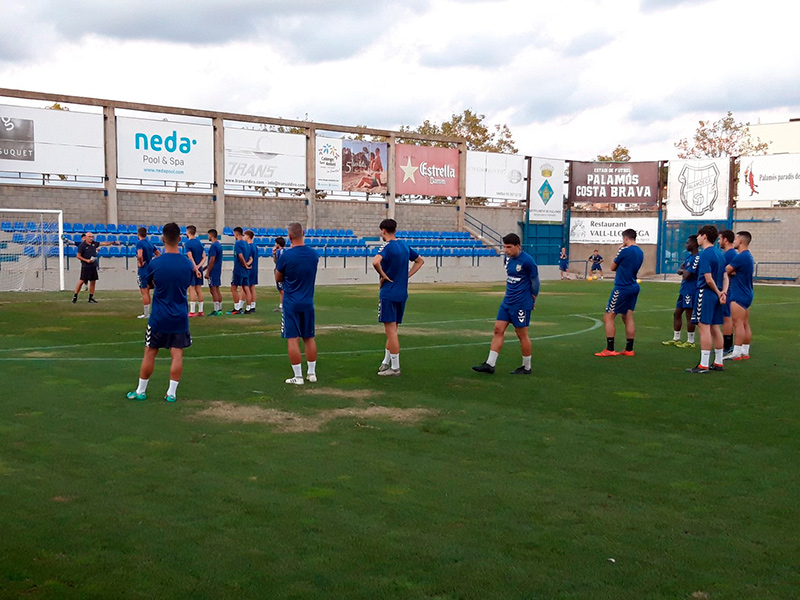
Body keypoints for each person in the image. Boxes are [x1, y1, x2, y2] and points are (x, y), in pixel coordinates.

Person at [126, 222, 194, 403]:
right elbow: (187, 284)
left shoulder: (156, 264)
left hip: (159, 317)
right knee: (177, 353)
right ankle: (171, 393)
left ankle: (141, 391)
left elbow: (148, 284)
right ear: (180, 239)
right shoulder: (187, 264)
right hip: (179, 316)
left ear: (163, 239)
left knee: (150, 352)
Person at [473, 233, 539, 375]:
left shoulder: (528, 261)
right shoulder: (508, 259)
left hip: (521, 304)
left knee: (521, 334)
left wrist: (533, 299)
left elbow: (535, 282)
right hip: (507, 301)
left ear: (517, 246)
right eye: (504, 247)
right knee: (498, 329)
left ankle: (526, 367)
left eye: (509, 247)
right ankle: (490, 364)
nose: (506, 250)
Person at [372, 219, 425, 376]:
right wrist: (406, 275)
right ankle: (386, 361)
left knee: (390, 331)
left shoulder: (387, 246)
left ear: (383, 231)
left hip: (389, 292)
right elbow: (420, 260)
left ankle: (395, 367)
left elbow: (376, 262)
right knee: (394, 329)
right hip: (402, 293)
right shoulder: (404, 245)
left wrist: (383, 276)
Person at [275, 223, 319, 385]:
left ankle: (298, 376)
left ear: (290, 236)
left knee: (292, 338)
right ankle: (312, 373)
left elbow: (278, 278)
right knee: (309, 337)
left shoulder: (286, 256)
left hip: (291, 302)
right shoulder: (314, 255)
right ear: (303, 233)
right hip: (308, 301)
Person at [594, 229, 644, 357]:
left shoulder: (624, 250)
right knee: (628, 316)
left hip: (622, 286)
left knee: (608, 317)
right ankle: (629, 349)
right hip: (633, 285)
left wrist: (620, 250)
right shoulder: (640, 251)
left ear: (626, 238)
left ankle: (610, 349)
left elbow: (612, 267)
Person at [686, 225, 728, 374]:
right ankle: (718, 361)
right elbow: (725, 276)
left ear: (704, 236)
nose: (697, 238)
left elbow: (708, 278)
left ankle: (704, 364)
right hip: (716, 295)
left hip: (706, 293)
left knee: (704, 328)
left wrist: (717, 292)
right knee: (715, 327)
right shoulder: (719, 253)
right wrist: (723, 292)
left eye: (698, 235)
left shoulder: (705, 254)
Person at [662, 235, 699, 348]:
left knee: (689, 315)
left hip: (690, 290)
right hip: (683, 290)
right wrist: (683, 271)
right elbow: (680, 269)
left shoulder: (697, 258)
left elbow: (687, 275)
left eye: (688, 243)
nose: (686, 245)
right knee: (677, 313)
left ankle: (690, 341)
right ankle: (676, 338)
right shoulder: (689, 257)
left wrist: (683, 271)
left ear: (693, 244)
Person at [725, 231, 754, 361]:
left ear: (741, 241)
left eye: (736, 239)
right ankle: (744, 351)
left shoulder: (741, 256)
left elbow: (726, 270)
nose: (734, 241)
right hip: (747, 293)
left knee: (738, 323)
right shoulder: (748, 256)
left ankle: (736, 352)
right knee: (745, 323)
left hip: (738, 293)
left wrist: (731, 272)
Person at [71, 231, 118, 303]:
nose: (91, 238)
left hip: (93, 265)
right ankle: (75, 296)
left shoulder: (94, 243)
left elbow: (103, 244)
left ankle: (91, 297)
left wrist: (113, 242)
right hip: (86, 266)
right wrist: (86, 260)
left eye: (92, 237)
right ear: (86, 237)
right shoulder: (82, 245)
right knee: (82, 280)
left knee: (93, 281)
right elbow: (78, 256)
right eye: (89, 237)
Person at [719, 229, 737, 355]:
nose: (719, 241)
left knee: (727, 317)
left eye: (720, 239)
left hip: (728, 290)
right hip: (728, 289)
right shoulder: (729, 254)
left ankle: (727, 345)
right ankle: (728, 344)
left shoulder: (730, 255)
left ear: (725, 239)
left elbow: (731, 271)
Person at [135, 226, 160, 319]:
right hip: (150, 269)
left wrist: (141, 263)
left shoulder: (139, 243)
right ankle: (149, 312)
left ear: (138, 234)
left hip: (143, 270)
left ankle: (146, 314)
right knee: (149, 290)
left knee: (144, 291)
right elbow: (158, 254)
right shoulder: (150, 243)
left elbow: (140, 255)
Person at [227, 227, 252, 315]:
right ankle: (248, 308)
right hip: (245, 270)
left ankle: (237, 308)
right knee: (246, 288)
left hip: (238, 269)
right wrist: (247, 265)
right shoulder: (246, 244)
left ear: (236, 234)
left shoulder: (238, 244)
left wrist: (244, 265)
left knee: (233, 287)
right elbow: (250, 258)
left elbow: (240, 256)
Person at [184, 225, 206, 317]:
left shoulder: (188, 244)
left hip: (192, 268)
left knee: (191, 289)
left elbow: (190, 257)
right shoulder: (199, 243)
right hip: (199, 268)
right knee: (199, 289)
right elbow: (204, 257)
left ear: (188, 232)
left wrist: (195, 268)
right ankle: (200, 310)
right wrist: (199, 267)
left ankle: (192, 311)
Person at [205, 228, 224, 316]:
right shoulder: (219, 245)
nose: (208, 237)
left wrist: (208, 272)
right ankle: (219, 308)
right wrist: (205, 267)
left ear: (211, 235)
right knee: (217, 289)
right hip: (217, 269)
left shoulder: (213, 246)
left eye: (209, 235)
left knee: (213, 290)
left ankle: (216, 309)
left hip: (213, 270)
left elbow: (212, 259)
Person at [244, 229, 259, 313]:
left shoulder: (249, 246)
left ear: (248, 236)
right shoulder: (255, 246)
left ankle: (247, 306)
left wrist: (246, 265)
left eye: (245, 235)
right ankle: (253, 305)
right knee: (252, 288)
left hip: (249, 269)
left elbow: (250, 258)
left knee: (246, 288)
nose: (244, 237)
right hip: (255, 269)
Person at [272, 236, 286, 313]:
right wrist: (274, 254)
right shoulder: (279, 252)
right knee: (280, 289)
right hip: (279, 271)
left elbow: (281, 263)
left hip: (281, 273)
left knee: (282, 290)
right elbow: (276, 262)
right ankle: (282, 305)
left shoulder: (282, 252)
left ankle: (283, 306)